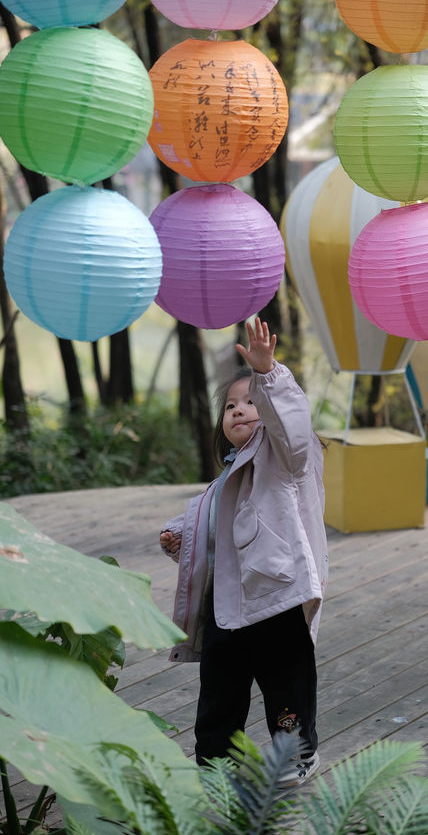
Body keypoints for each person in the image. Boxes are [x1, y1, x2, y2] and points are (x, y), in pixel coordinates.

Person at [160, 317, 328, 785]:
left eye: (251, 402)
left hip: (277, 597)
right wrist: (179, 534)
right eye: (231, 406)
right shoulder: (228, 477)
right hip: (227, 603)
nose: (239, 410)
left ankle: (295, 755)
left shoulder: (289, 457)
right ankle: (215, 759)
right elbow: (211, 520)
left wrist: (267, 373)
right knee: (219, 689)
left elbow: (291, 425)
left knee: (287, 687)